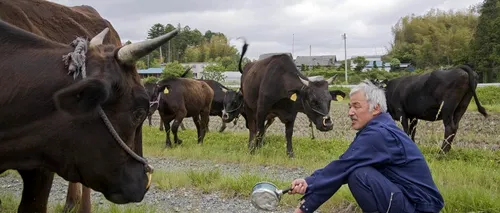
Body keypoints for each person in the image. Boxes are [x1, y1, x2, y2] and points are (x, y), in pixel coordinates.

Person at [288, 80, 444, 213]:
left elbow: (343, 167)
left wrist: (307, 194)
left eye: (356, 106)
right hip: (411, 201)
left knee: (359, 175)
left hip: (419, 207)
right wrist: (307, 192)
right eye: (350, 106)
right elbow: (344, 165)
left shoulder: (379, 134)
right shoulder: (378, 128)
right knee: (356, 171)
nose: (350, 112)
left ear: (375, 108)